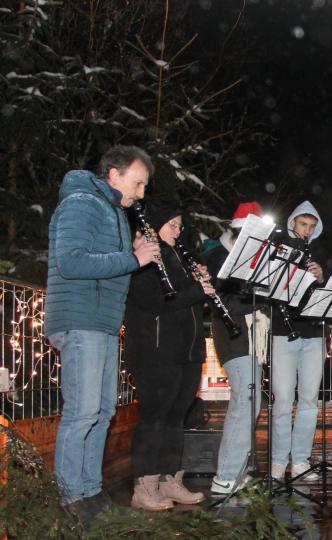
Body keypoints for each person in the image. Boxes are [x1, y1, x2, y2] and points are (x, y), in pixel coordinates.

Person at [46, 145, 160, 523]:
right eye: (138, 183)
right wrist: (132, 258)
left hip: (103, 323)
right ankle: (68, 498)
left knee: (103, 411)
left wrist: (134, 251)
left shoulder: (113, 212)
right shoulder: (82, 203)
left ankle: (90, 491)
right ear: (114, 174)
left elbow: (107, 267)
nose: (141, 193)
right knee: (81, 413)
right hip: (81, 321)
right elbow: (72, 261)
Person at [124, 202, 212, 510]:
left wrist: (200, 281)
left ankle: (170, 480)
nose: (177, 230)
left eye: (179, 225)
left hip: (187, 349)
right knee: (155, 417)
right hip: (156, 349)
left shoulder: (180, 255)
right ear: (157, 225)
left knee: (177, 417)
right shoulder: (147, 254)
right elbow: (156, 301)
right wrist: (197, 290)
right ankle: (144, 485)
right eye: (172, 225)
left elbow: (185, 299)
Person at [205, 201, 268, 495]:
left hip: (251, 336)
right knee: (245, 401)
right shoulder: (219, 256)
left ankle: (237, 471)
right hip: (232, 335)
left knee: (251, 401)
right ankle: (226, 474)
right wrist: (257, 293)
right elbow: (224, 302)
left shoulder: (257, 257)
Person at [270, 200, 331, 482]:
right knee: (283, 399)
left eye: (312, 226)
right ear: (292, 223)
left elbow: (331, 288)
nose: (307, 230)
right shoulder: (279, 246)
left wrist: (321, 277)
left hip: (314, 332)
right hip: (283, 330)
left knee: (308, 400)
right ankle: (278, 460)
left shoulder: (319, 252)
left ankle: (301, 460)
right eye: (302, 224)